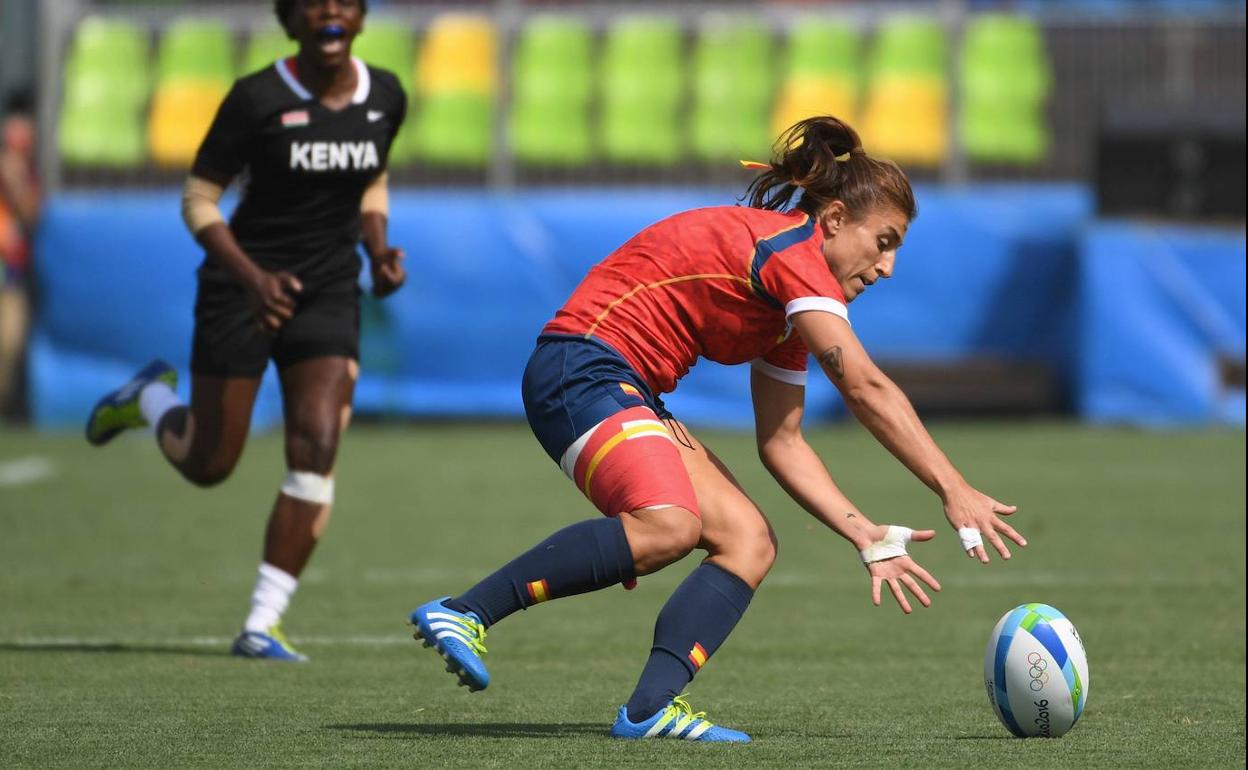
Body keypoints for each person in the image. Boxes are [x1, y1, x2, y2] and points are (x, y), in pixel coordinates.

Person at [408, 116, 1026, 742]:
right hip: (582, 365)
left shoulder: (789, 313)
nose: (888, 266)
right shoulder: (793, 253)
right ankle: (466, 612)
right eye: (884, 241)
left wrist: (863, 533)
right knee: (668, 523)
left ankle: (649, 710)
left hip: (628, 388)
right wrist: (952, 487)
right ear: (835, 219)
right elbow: (863, 387)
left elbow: (781, 442)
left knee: (749, 541)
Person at [85, 0, 407, 661]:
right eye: (314, 3)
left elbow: (372, 176)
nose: (330, 13)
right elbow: (198, 198)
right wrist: (253, 277)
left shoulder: (386, 96)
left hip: (328, 289)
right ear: (291, 20)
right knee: (211, 463)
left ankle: (262, 622)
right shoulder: (257, 97)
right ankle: (148, 397)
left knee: (316, 445)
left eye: (344, 1)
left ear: (361, 18)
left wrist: (377, 247)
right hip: (241, 288)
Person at [0, 89, 39, 422]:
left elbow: (30, 216)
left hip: (10, 270)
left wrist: (15, 182)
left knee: (10, 344)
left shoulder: (28, 173)